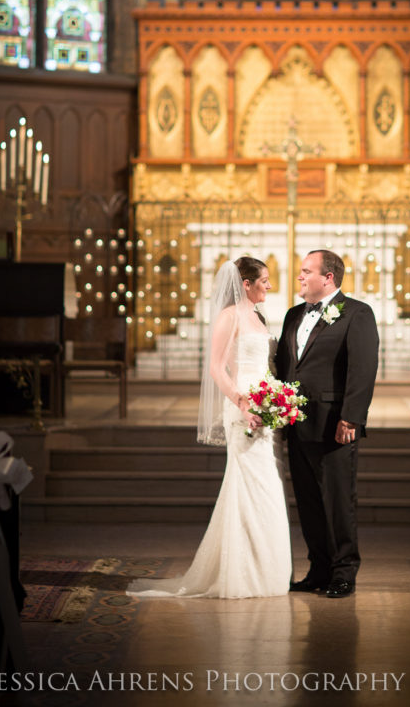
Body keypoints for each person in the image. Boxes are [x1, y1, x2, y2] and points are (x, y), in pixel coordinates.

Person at [127, 256, 291, 599]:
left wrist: (276, 398)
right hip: (242, 407)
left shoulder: (258, 317)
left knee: (266, 490)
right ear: (245, 284)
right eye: (265, 280)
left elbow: (265, 365)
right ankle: (242, 575)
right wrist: (242, 402)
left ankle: (265, 571)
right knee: (248, 487)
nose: (270, 286)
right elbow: (217, 368)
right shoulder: (228, 317)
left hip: (263, 405)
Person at [275, 250, 378, 599]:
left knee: (337, 501)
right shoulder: (292, 315)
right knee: (308, 501)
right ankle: (318, 568)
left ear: (329, 277)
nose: (300, 277)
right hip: (296, 423)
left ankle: (344, 571)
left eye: (306, 271)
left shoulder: (357, 314)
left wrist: (351, 416)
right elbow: (287, 367)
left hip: (334, 423)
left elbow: (362, 370)